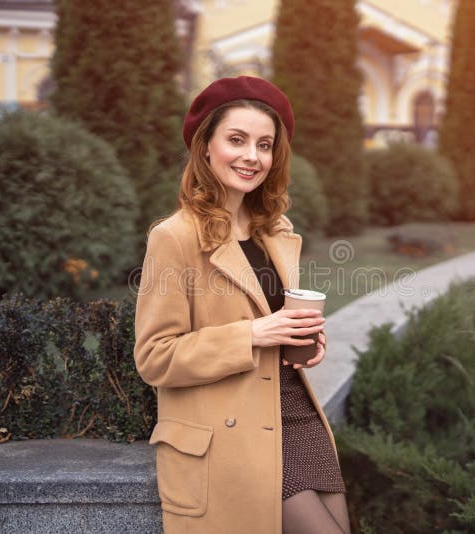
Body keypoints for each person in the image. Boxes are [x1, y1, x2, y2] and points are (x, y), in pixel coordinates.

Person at [133, 76, 350, 534]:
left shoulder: (275, 230)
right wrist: (254, 334)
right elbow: (154, 358)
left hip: (296, 414)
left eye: (265, 145)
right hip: (233, 432)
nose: (252, 156)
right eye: (237, 139)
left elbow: (275, 318)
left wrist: (303, 339)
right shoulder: (173, 237)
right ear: (205, 146)